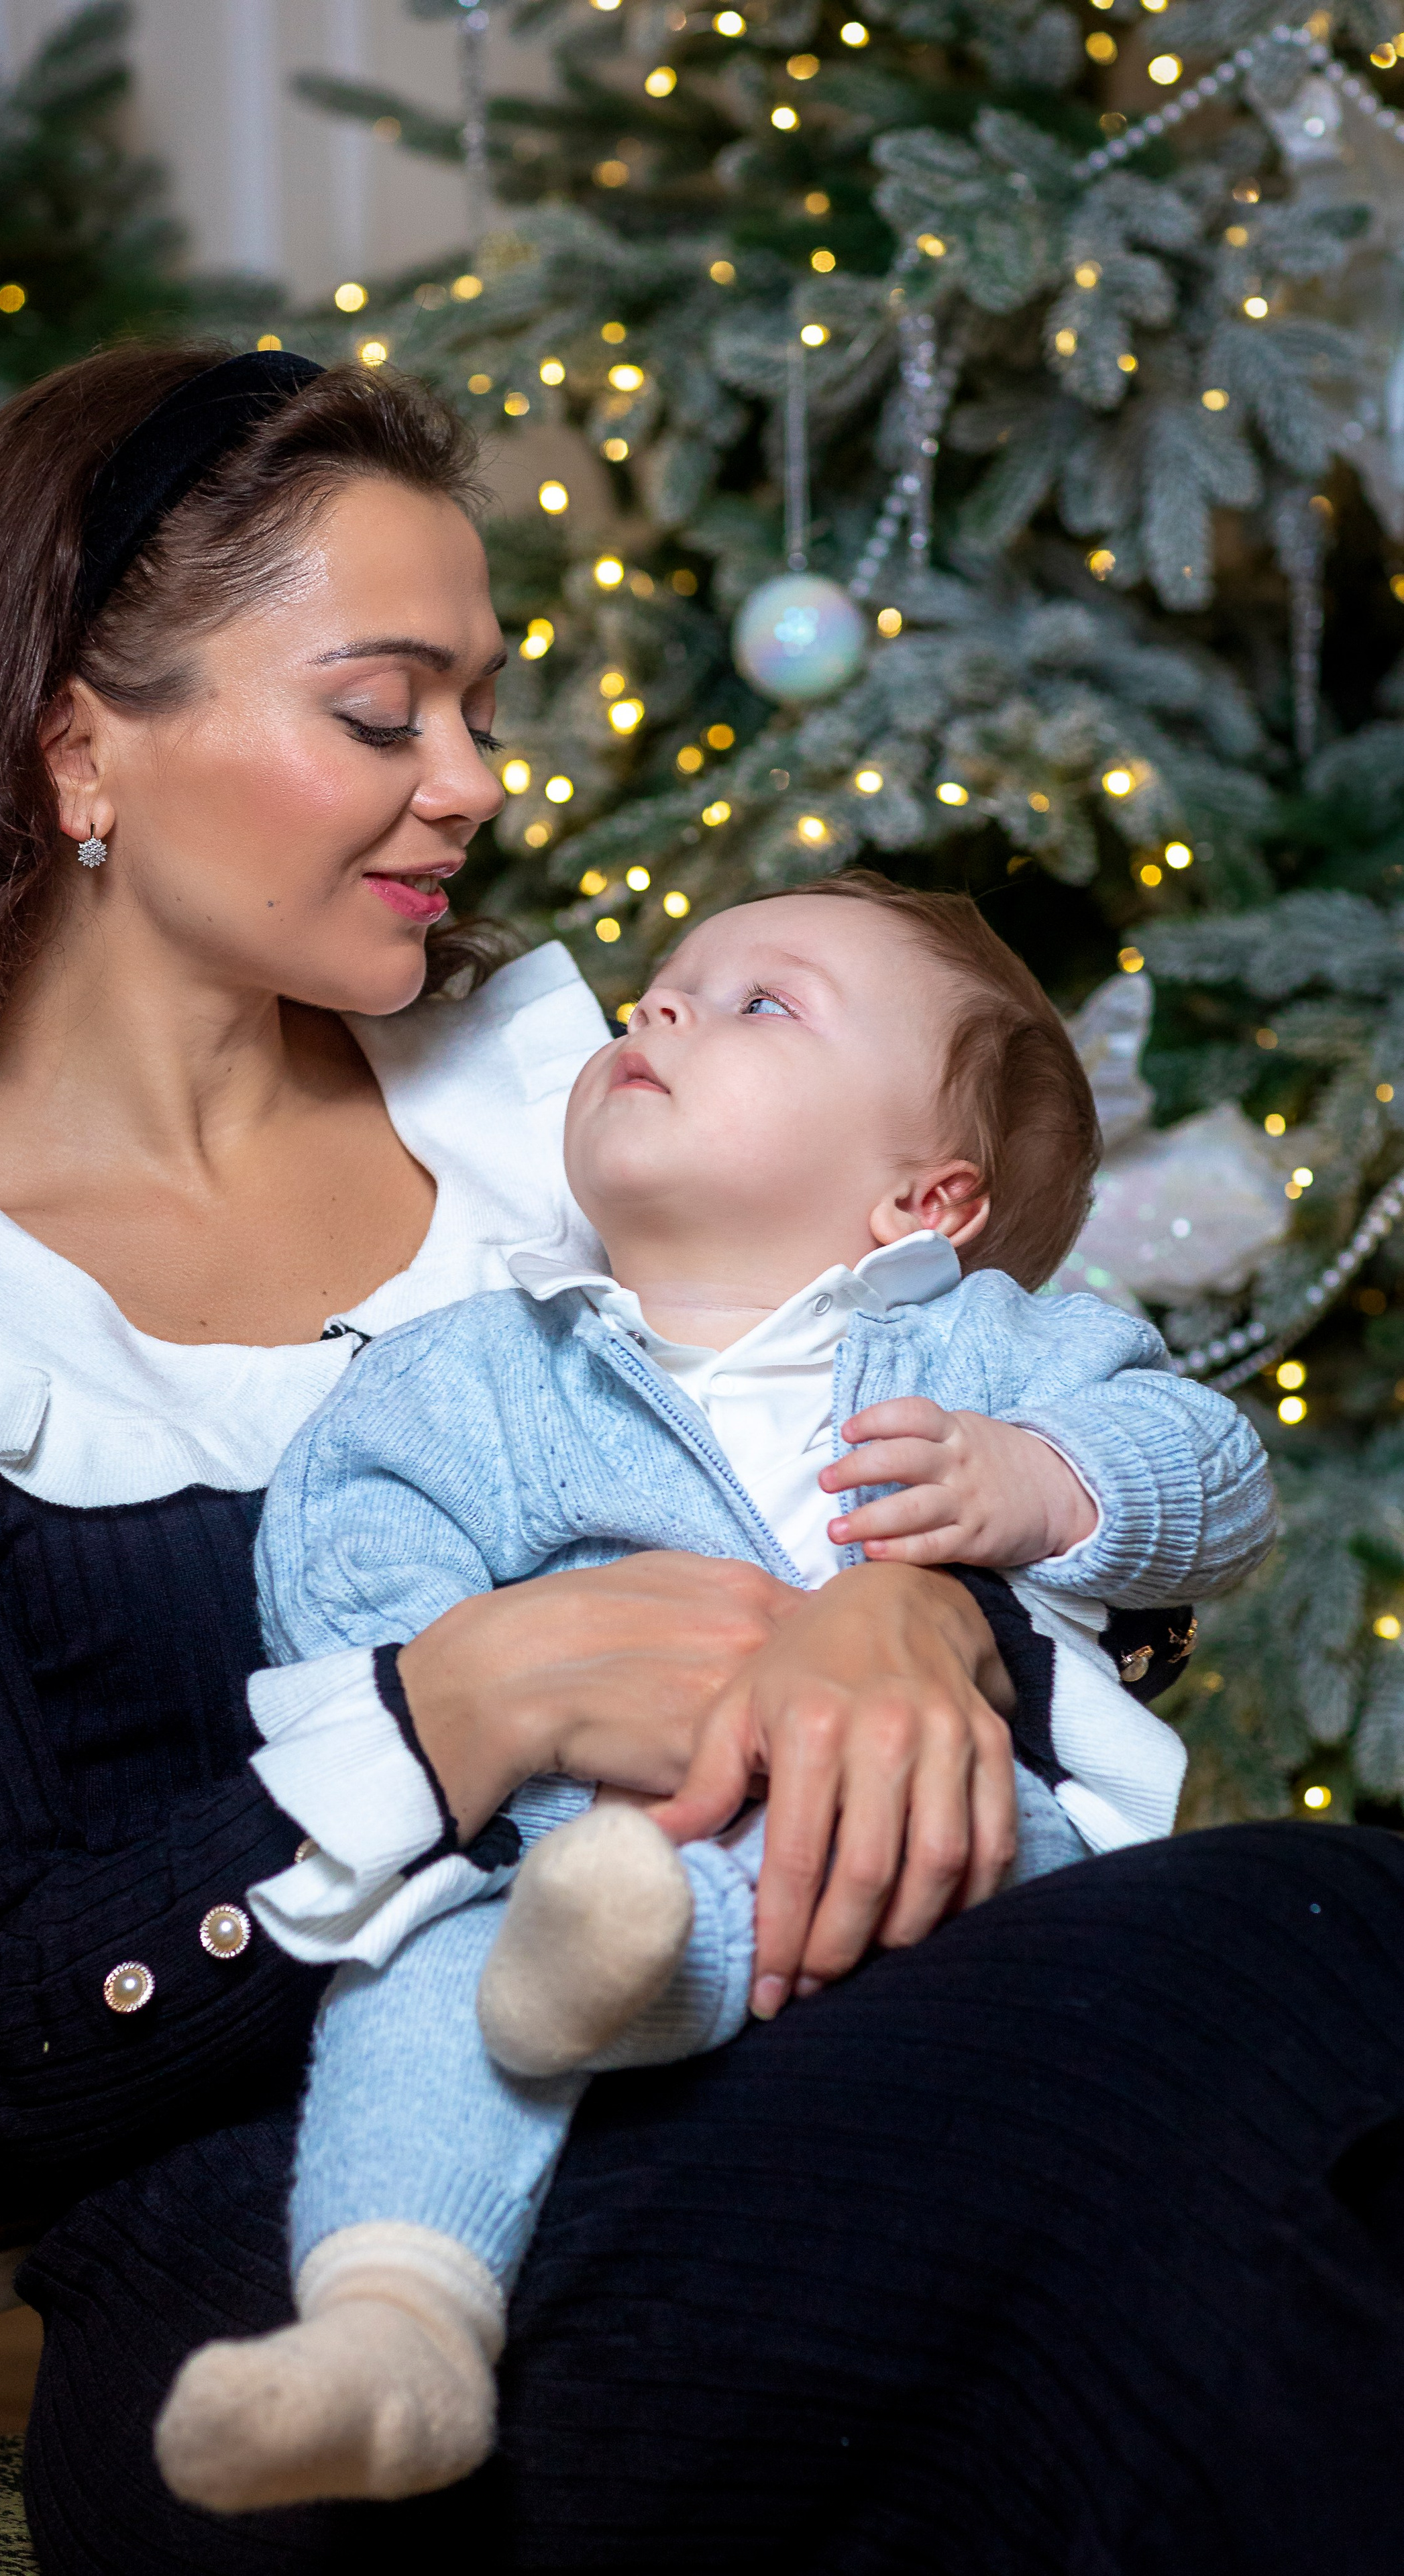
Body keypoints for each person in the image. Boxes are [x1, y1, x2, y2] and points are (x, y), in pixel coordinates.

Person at [0, 347, 1401, 2576]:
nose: (479, 783)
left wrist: (920, 1611)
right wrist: (467, 1712)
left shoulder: (565, 1106)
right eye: (385, 713)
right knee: (1267, 1987)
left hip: (812, 2061)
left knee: (1273, 2082)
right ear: (77, 736)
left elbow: (1045, 1505)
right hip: (310, 2263)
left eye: (480, 708)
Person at [154, 874, 1273, 2516]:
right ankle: (391, 2327)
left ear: (924, 1200)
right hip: (569, 1859)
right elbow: (349, 1588)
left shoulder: (985, 1350)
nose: (658, 1008)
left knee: (1023, 1869)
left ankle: (648, 1969)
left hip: (948, 1858)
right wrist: (515, 1703)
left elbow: (1215, 1471)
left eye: (761, 1004)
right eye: (660, 987)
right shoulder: (469, 1375)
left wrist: (1035, 1481)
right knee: (413, 1981)